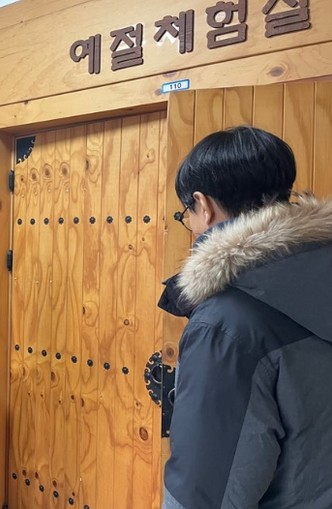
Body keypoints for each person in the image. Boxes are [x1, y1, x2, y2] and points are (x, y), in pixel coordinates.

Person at [159, 126, 332, 508]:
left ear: (203, 205)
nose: (191, 225)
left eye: (186, 214)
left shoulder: (226, 325)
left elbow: (205, 491)